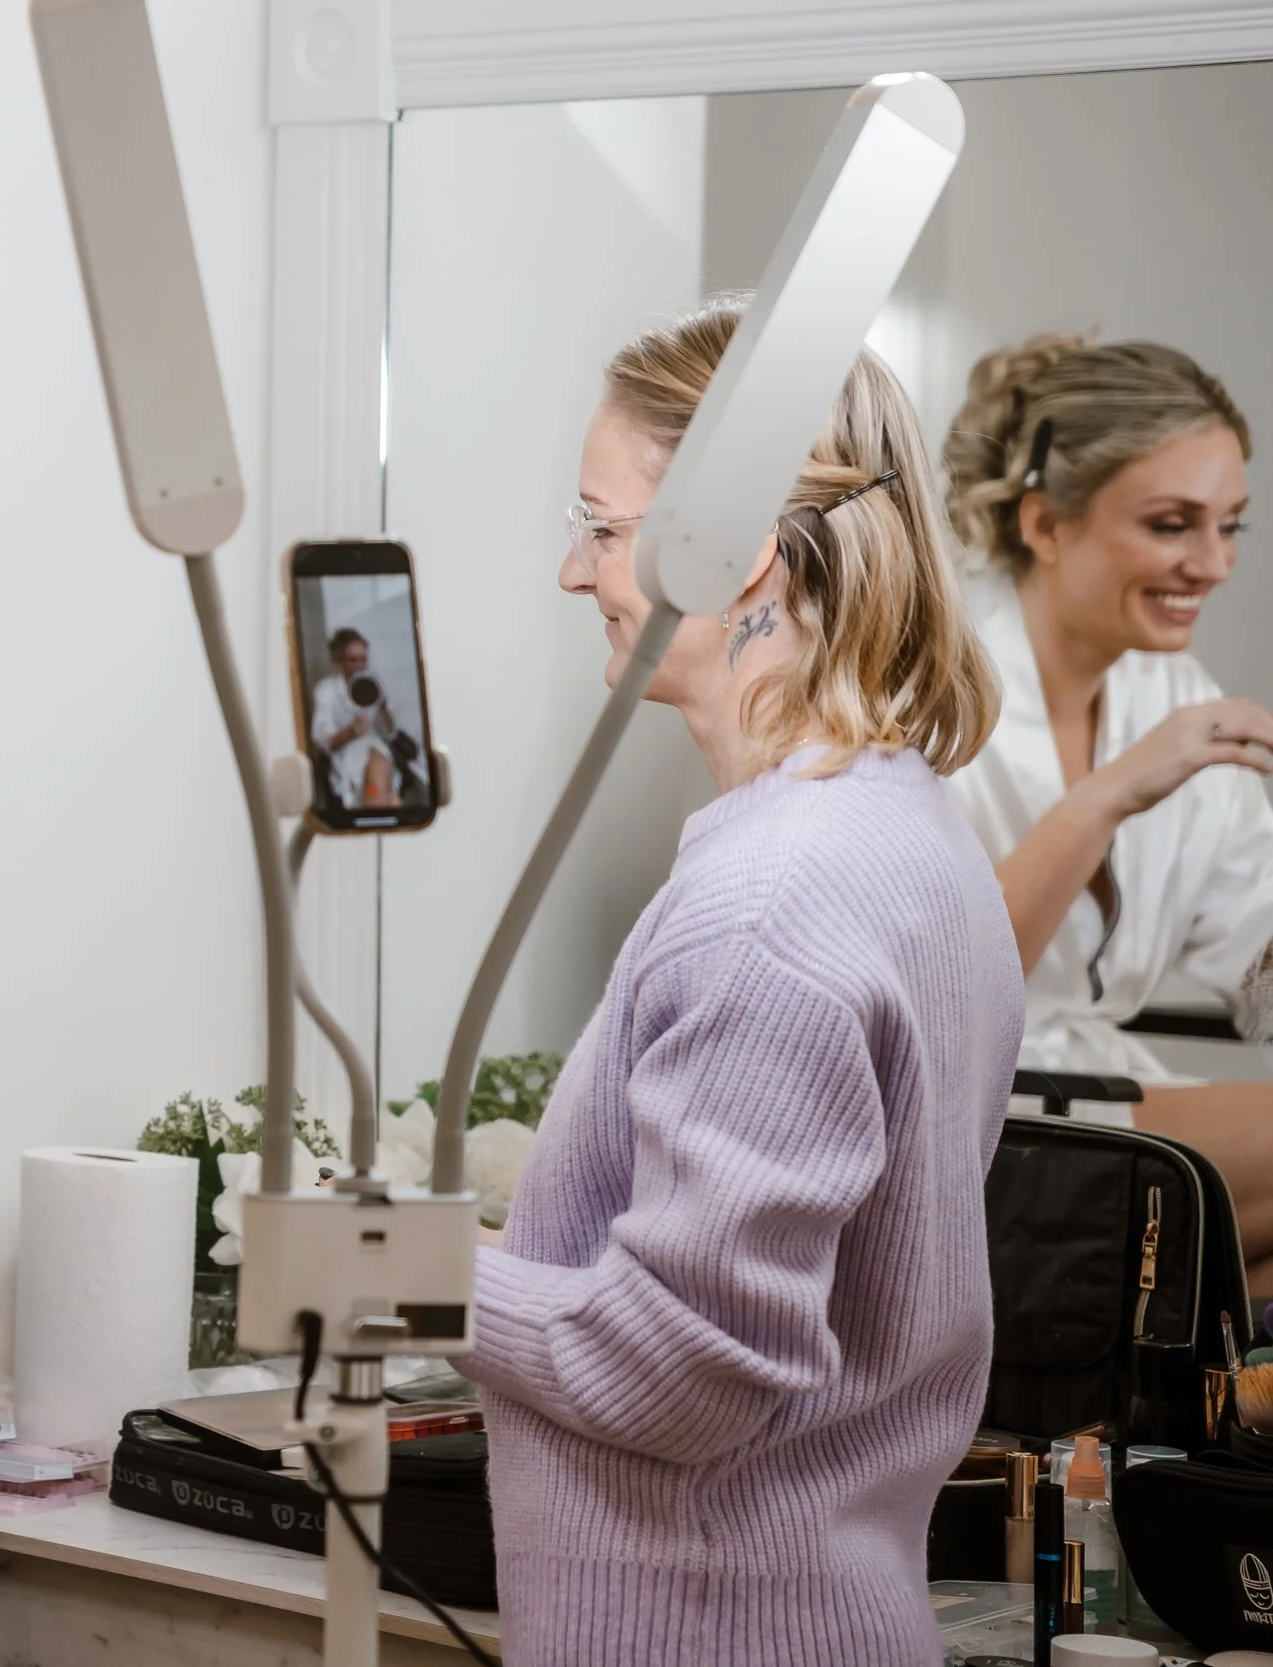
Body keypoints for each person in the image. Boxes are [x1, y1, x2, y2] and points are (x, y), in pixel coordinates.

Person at [460, 301, 1021, 1664]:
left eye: (600, 526)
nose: (571, 568)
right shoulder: (915, 836)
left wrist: (397, 1280)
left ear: (738, 547)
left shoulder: (769, 905)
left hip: (706, 1623)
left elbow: (682, 1364)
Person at [941, 334, 1273, 1281]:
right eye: (1173, 524)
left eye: (1232, 525)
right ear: (1044, 524)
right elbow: (943, 1000)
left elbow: (1255, 965)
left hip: (1095, 1113)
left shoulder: (1169, 694)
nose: (1212, 564)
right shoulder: (925, 686)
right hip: (963, 1133)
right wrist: (1110, 792)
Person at [309, 627, 398, 807]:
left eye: (363, 659)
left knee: (376, 777)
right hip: (346, 754)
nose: (359, 665)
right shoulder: (327, 690)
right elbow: (323, 739)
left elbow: (389, 733)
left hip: (375, 748)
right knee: (387, 797)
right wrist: (351, 732)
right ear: (338, 661)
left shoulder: (374, 685)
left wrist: (383, 708)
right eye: (353, 660)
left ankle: (377, 802)